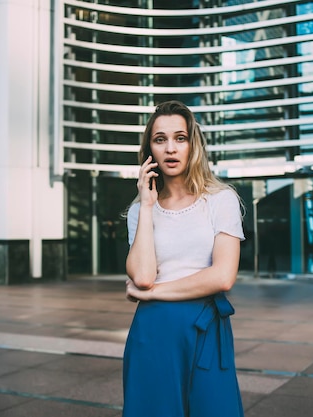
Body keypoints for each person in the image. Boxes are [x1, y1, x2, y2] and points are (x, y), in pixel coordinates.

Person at [123, 100, 245, 417]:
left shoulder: (221, 200)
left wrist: (152, 294)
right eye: (160, 139)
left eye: (180, 138)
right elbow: (144, 276)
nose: (171, 148)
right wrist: (147, 205)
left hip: (204, 328)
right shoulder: (139, 210)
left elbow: (223, 277)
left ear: (193, 144)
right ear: (149, 149)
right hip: (153, 331)